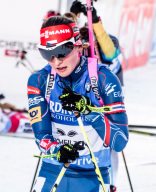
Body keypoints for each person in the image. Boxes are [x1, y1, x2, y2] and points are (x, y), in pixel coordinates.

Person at [28, 16, 128, 192]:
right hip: (52, 170)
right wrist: (56, 149)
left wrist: (88, 110)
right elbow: (41, 134)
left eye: (61, 52)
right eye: (47, 55)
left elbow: (119, 142)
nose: (56, 62)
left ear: (78, 46)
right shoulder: (40, 80)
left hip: (93, 174)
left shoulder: (105, 80)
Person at [70, 2, 124, 191]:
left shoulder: (108, 45)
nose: (87, 48)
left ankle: (111, 184)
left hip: (105, 99)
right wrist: (73, 15)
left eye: (90, 44)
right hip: (82, 97)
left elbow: (109, 51)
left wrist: (95, 20)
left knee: (110, 142)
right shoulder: (75, 48)